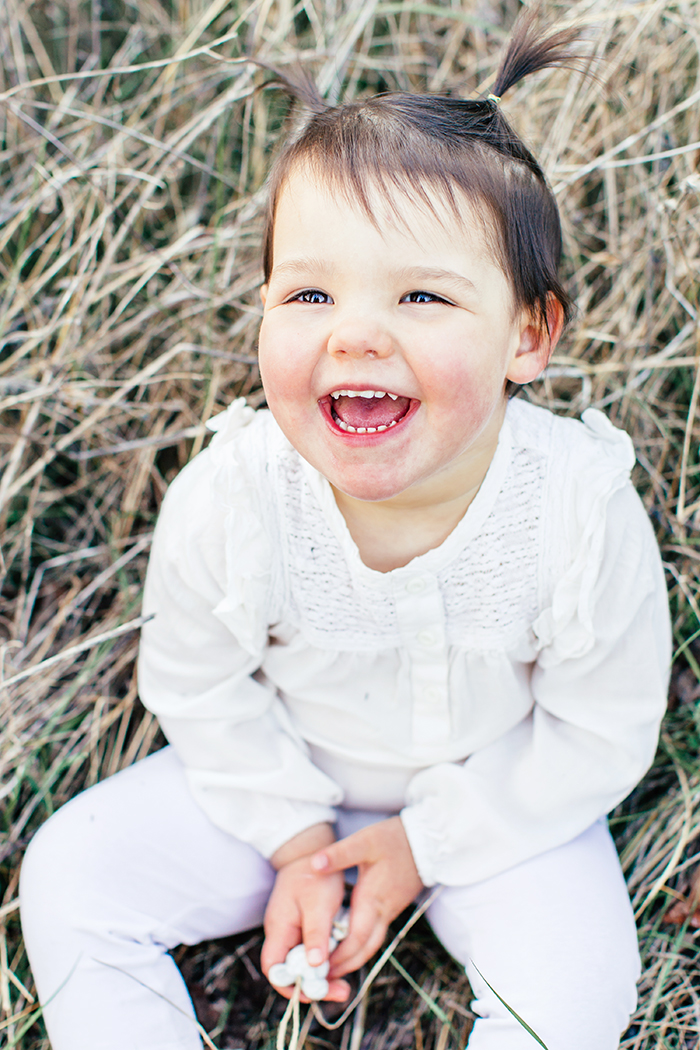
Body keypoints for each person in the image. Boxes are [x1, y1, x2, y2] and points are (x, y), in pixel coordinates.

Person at [19, 11, 671, 1050]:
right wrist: (293, 837)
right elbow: (197, 682)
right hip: (278, 781)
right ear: (264, 307)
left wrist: (424, 843)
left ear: (527, 335)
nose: (354, 331)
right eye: (310, 291)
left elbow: (599, 725)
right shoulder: (235, 496)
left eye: (420, 295)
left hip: (500, 802)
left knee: (576, 986)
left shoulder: (575, 508)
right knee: (72, 872)